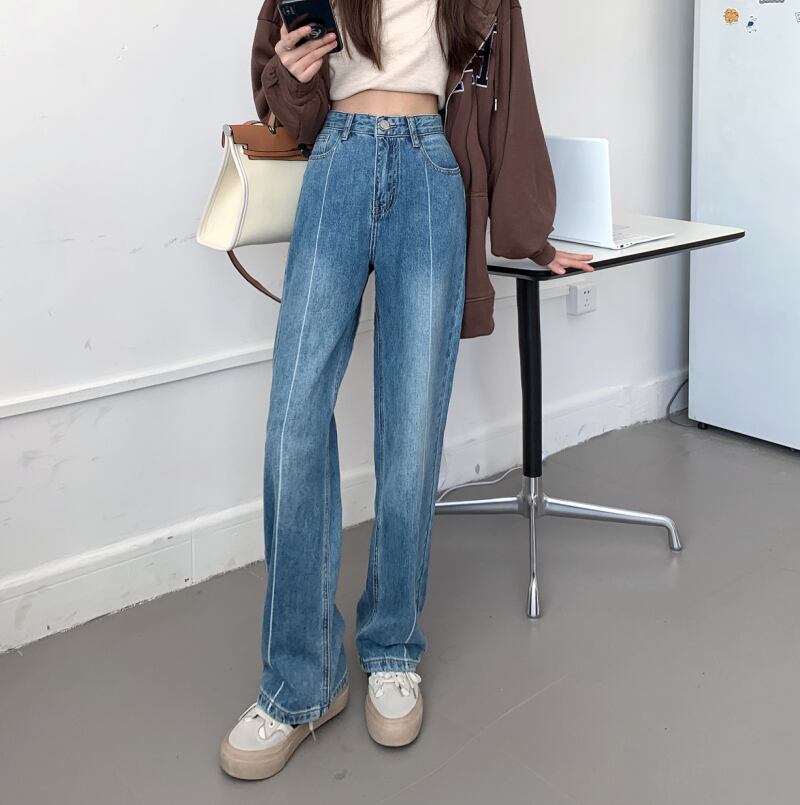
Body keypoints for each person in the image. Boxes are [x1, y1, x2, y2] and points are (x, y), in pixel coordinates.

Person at [219, 0, 594, 781]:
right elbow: (281, 101)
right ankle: (300, 682)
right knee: (294, 419)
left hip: (429, 169)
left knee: (413, 429)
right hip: (336, 162)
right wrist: (290, 76)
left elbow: (511, 99)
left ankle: (392, 646)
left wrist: (531, 237)